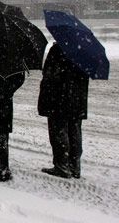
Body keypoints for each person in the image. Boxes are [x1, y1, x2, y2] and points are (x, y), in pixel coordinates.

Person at [38, 43, 89, 179]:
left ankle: (62, 166)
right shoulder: (84, 50)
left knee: (59, 132)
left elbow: (49, 74)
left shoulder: (57, 49)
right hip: (77, 100)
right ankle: (74, 165)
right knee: (75, 132)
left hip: (59, 100)